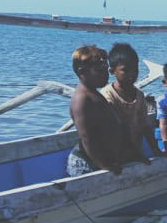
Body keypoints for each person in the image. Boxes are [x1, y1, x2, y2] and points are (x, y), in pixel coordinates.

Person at [67, 45, 128, 176]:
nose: (105, 74)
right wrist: (104, 166)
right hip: (87, 164)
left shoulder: (93, 94)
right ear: (82, 71)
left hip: (101, 160)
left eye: (106, 69)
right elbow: (87, 138)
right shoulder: (82, 99)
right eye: (99, 70)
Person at [100, 42, 161, 159]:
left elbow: (145, 126)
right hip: (114, 156)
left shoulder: (139, 95)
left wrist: (156, 150)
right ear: (112, 71)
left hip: (135, 153)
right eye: (125, 70)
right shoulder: (108, 95)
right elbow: (114, 129)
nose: (132, 74)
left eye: (135, 69)